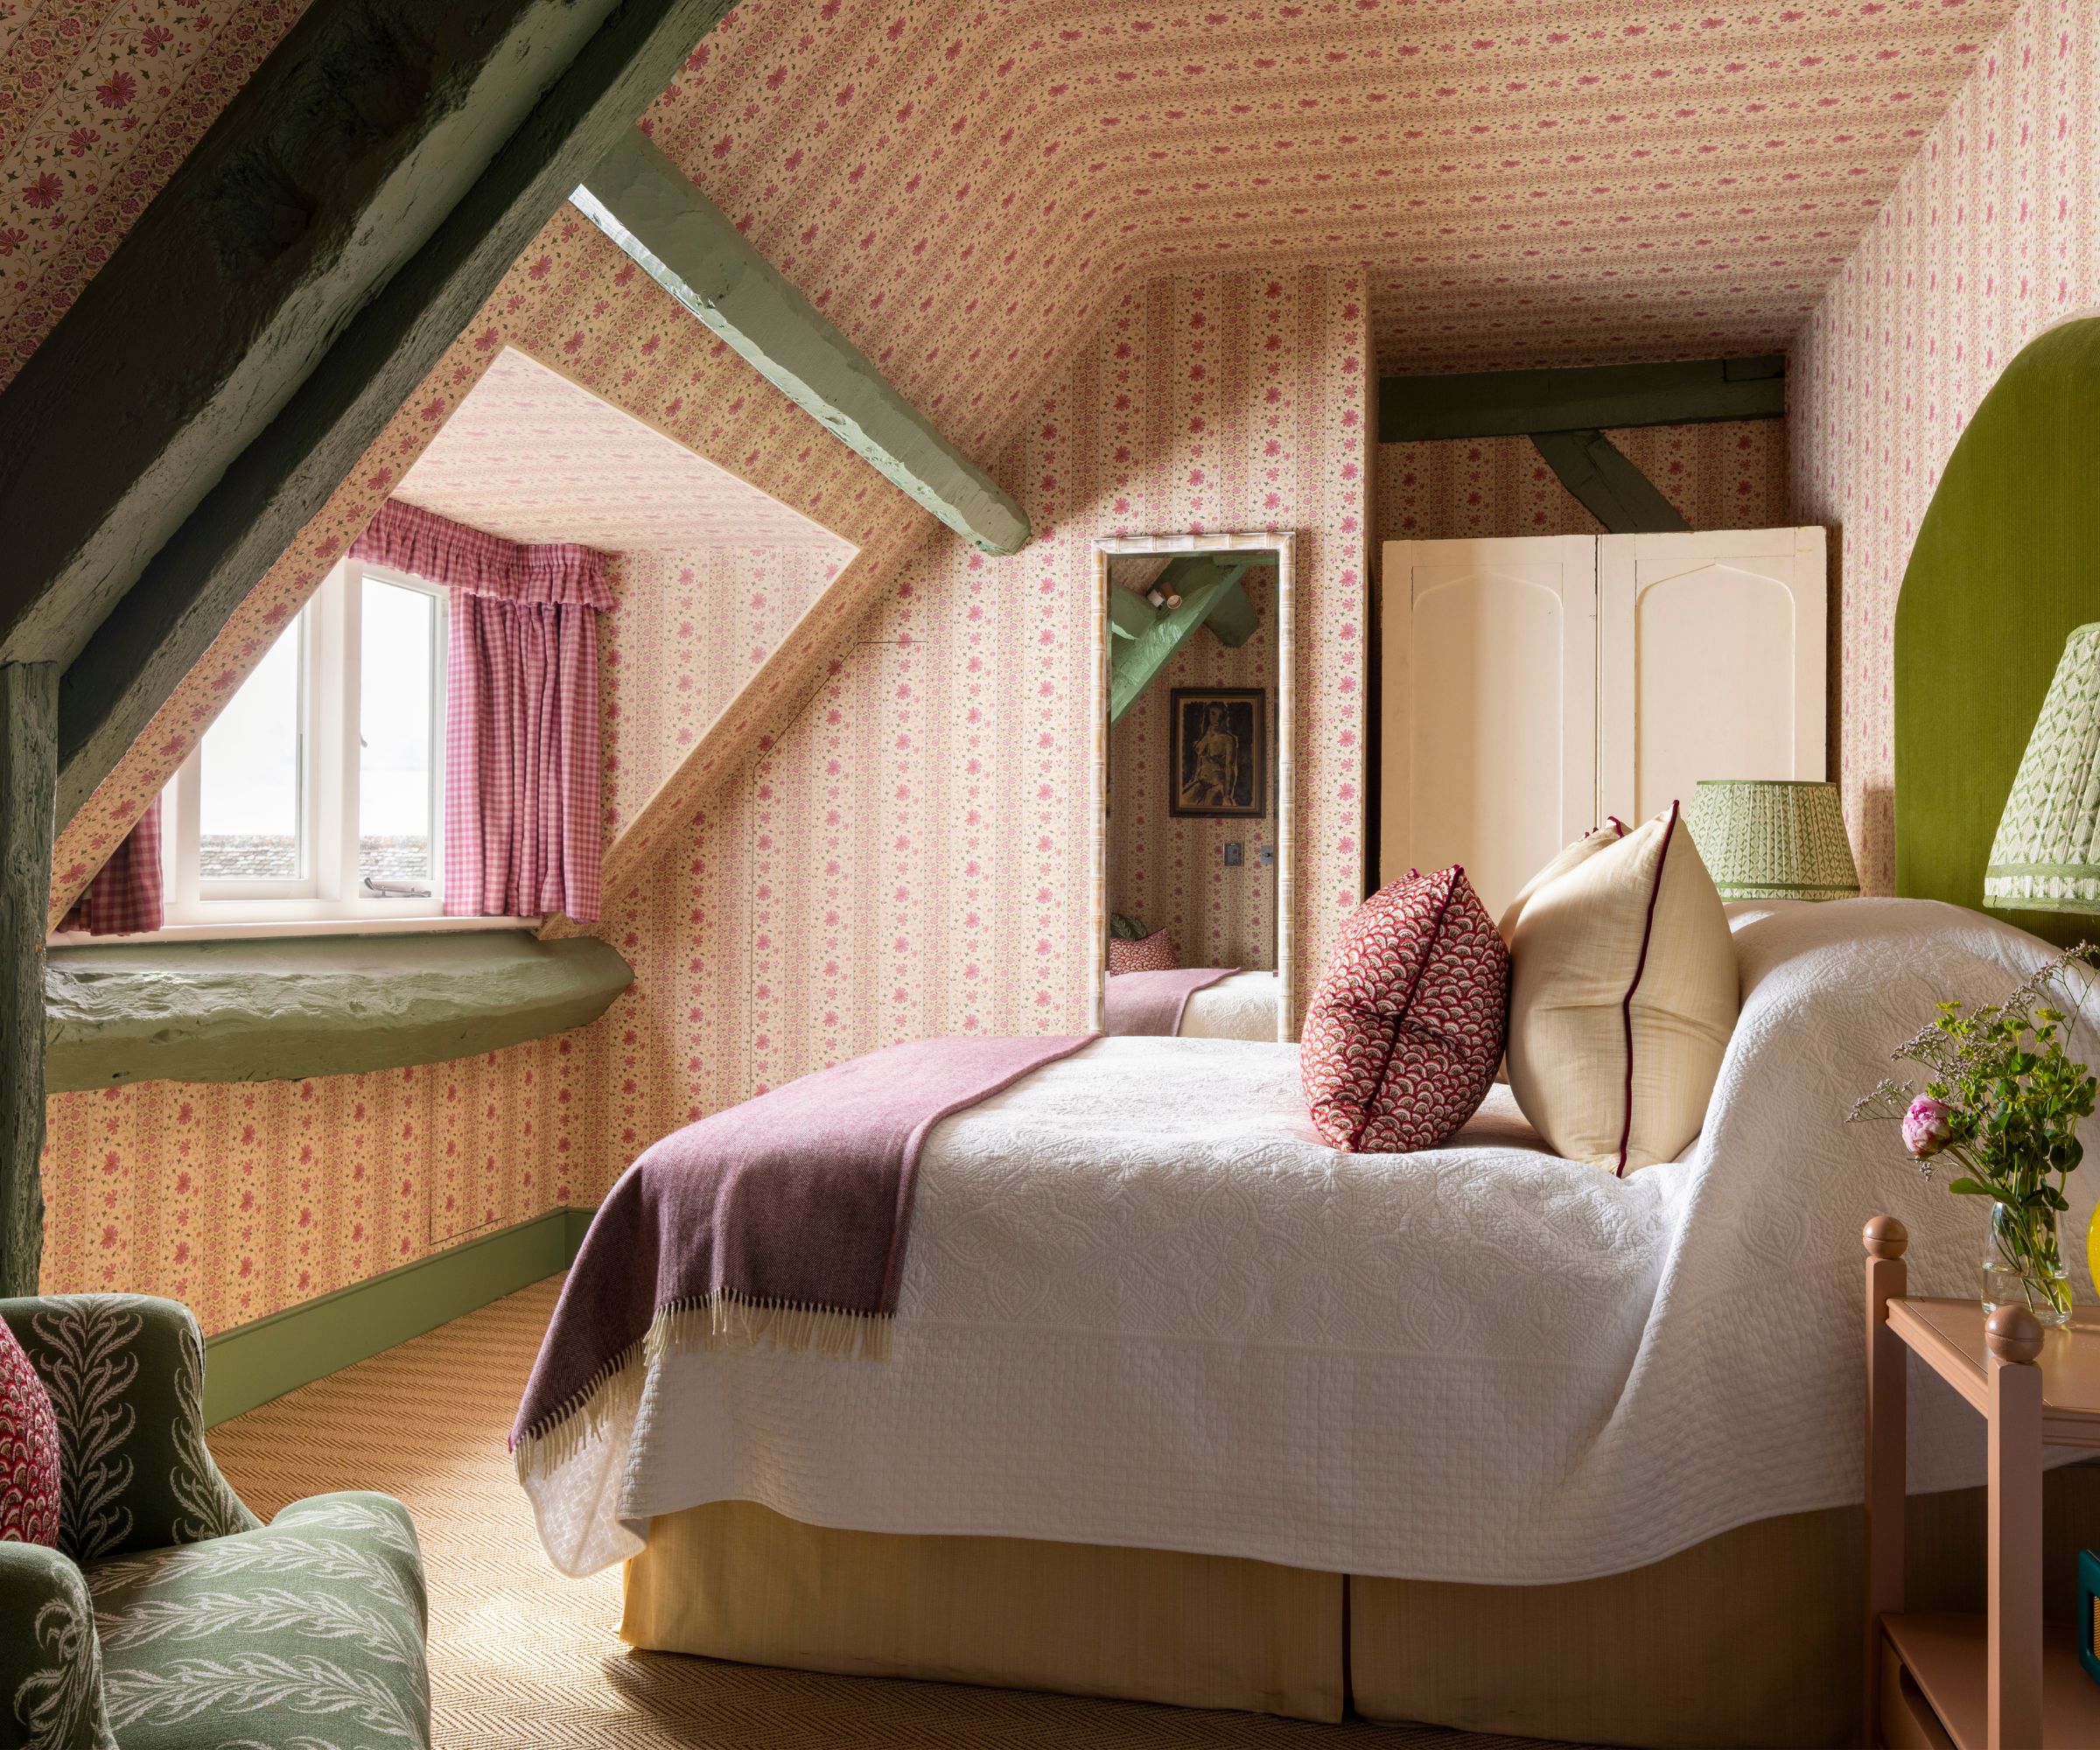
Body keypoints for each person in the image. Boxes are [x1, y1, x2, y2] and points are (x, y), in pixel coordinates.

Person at [1185, 702, 1240, 808]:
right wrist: (1195, 779)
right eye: (1213, 714)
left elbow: (1229, 767)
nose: (1217, 719)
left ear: (1224, 717)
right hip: (1201, 782)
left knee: (1206, 807)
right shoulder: (1205, 735)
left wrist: (1227, 795)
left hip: (1217, 785)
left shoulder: (1228, 739)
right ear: (1208, 715)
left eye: (1220, 715)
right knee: (1184, 801)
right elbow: (1200, 761)